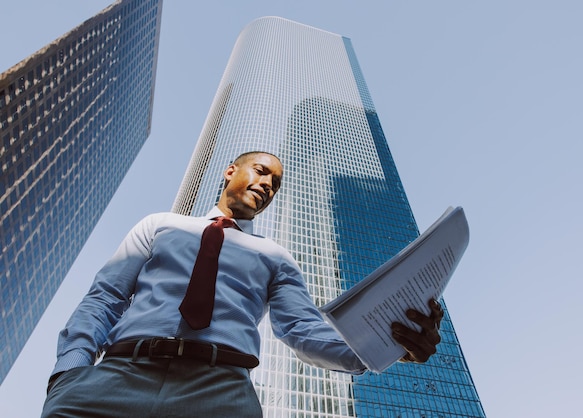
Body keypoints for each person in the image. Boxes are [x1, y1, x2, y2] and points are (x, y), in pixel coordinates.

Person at [42, 151, 443, 417]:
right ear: (231, 170)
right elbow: (105, 298)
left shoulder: (275, 256)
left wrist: (388, 348)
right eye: (262, 172)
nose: (268, 185)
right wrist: (69, 371)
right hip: (117, 377)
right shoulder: (160, 224)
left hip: (220, 393)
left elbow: (302, 330)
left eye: (276, 184)